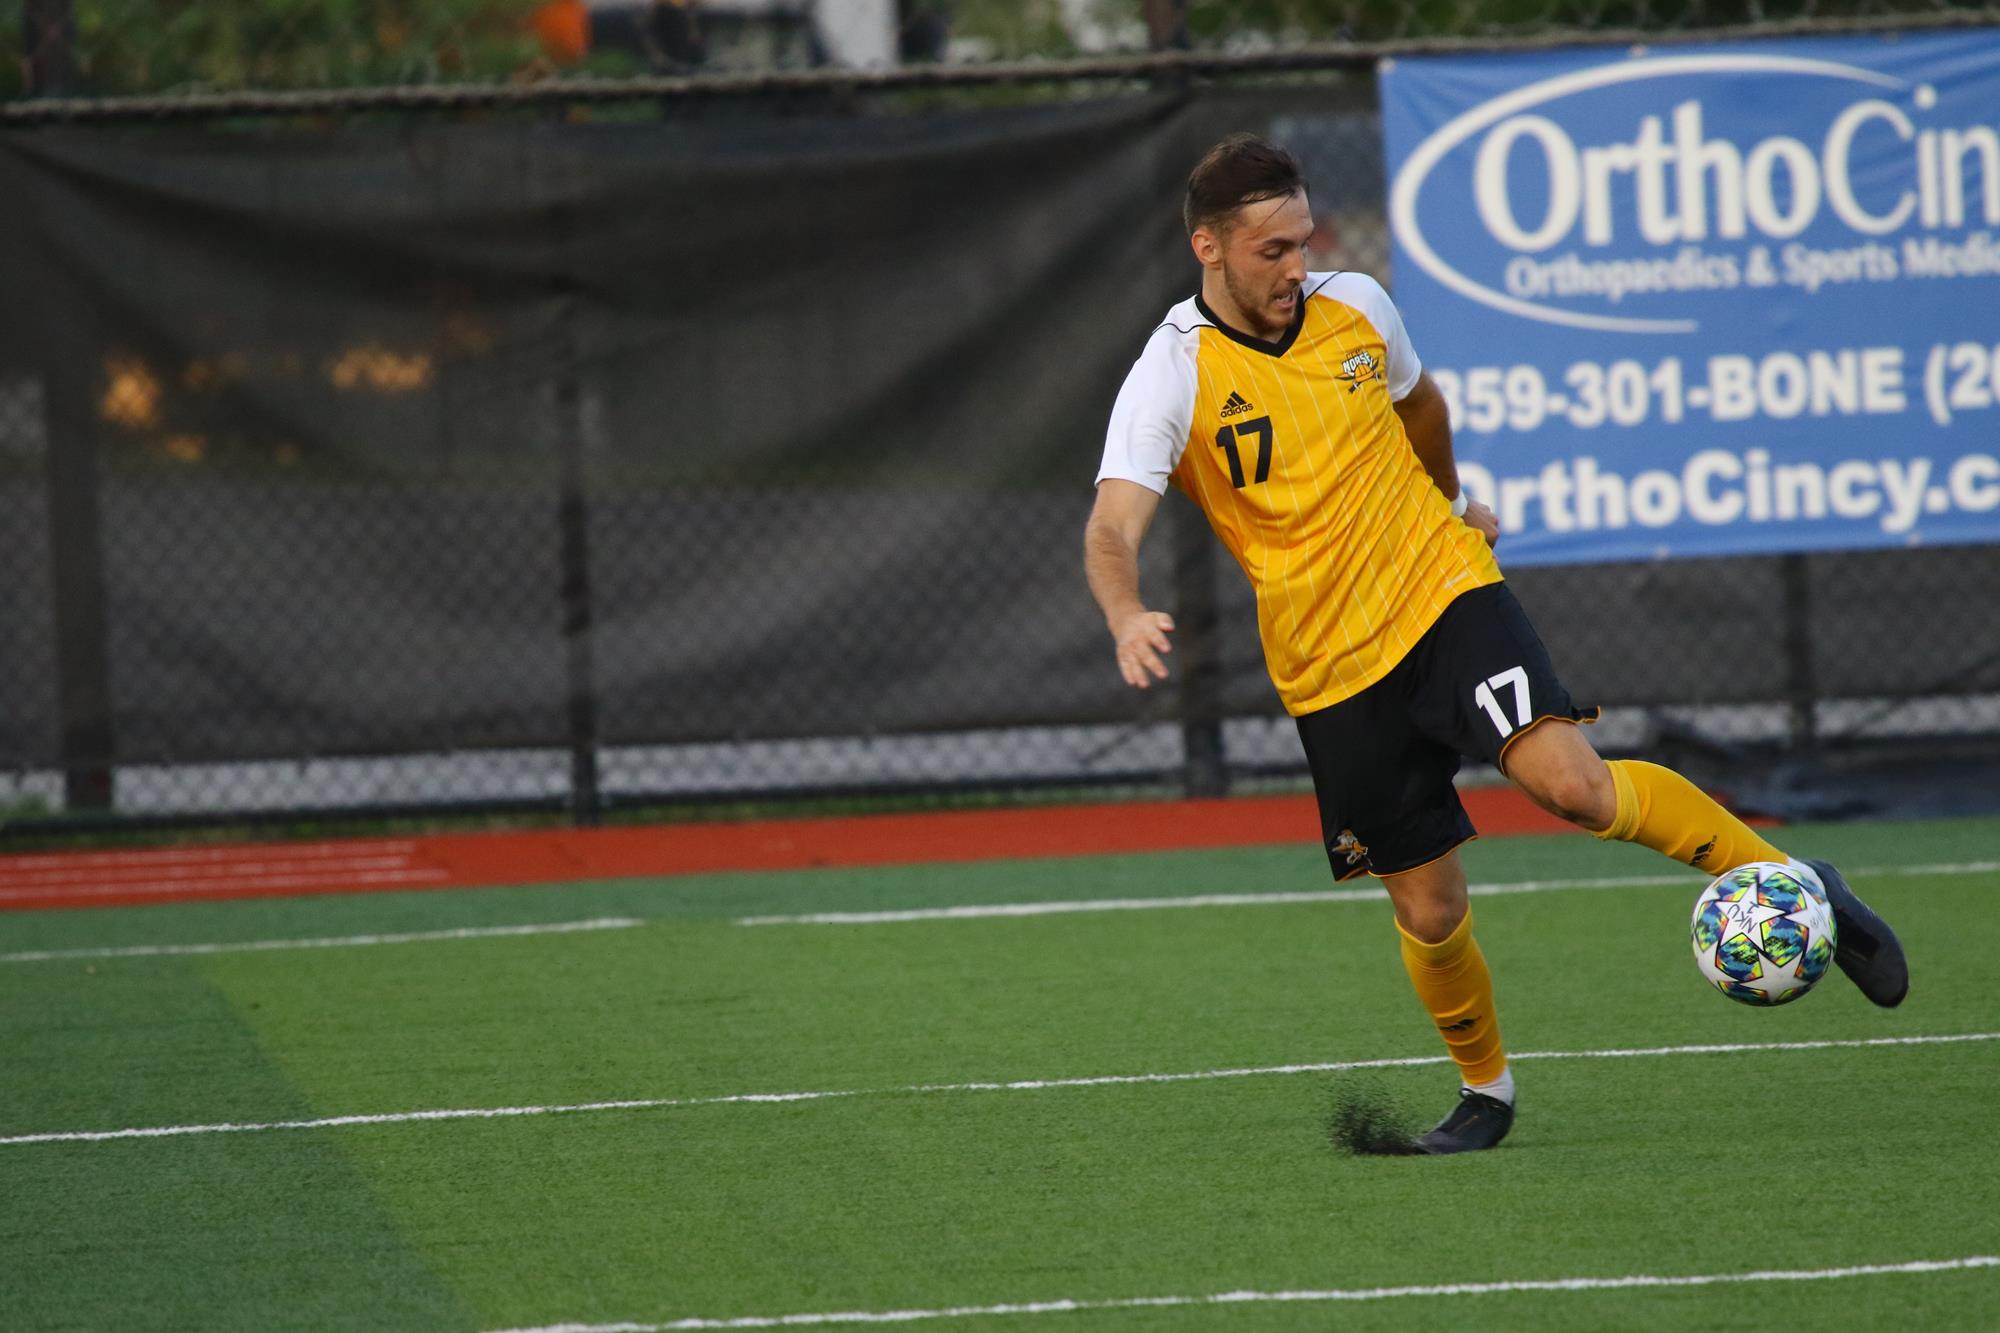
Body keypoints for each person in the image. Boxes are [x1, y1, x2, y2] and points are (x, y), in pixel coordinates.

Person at [1082, 133, 1908, 1155]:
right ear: (1206, 246)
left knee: (1571, 785)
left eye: (1302, 242)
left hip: (1443, 591)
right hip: (1328, 664)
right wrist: (1123, 612)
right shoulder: (1172, 369)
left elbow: (1418, 403)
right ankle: (1486, 1092)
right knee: (1428, 909)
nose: (1296, 267)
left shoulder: (1356, 308)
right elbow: (1111, 527)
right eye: (1270, 251)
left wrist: (1448, 499)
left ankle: (1793, 884)